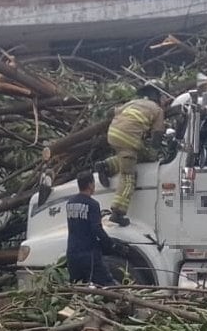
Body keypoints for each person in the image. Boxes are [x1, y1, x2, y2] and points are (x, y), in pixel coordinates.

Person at [95, 81, 168, 227]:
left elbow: (112, 112)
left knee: (133, 157)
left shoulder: (132, 103)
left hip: (113, 134)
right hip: (128, 138)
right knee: (129, 177)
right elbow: (158, 134)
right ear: (158, 96)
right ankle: (118, 212)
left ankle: (107, 166)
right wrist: (154, 152)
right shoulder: (157, 110)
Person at [65, 172, 116, 286]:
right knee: (109, 286)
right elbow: (96, 229)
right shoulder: (92, 204)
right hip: (88, 255)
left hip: (72, 254)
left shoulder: (70, 203)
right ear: (90, 184)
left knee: (78, 287)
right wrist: (111, 244)